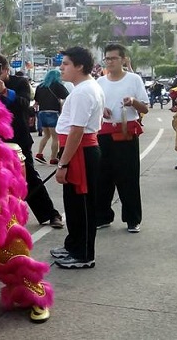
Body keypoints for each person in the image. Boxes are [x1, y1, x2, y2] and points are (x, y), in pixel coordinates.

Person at [0, 55, 64, 228]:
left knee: (28, 177)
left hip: (18, 138)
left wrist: (5, 92)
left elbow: (24, 104)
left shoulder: (20, 83)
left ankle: (50, 214)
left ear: (5, 70)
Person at [51, 47, 104, 269]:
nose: (61, 68)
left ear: (79, 66)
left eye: (66, 64)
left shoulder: (84, 91)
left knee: (81, 205)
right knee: (73, 204)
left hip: (80, 152)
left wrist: (63, 163)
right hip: (78, 150)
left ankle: (83, 254)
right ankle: (73, 245)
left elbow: (77, 131)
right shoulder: (85, 88)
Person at [95, 44, 149, 233]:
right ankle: (102, 215)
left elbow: (145, 108)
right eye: (107, 58)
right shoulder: (100, 82)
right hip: (104, 134)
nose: (110, 62)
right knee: (103, 177)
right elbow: (95, 108)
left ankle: (132, 219)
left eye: (113, 58)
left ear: (124, 59)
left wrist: (133, 101)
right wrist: (102, 110)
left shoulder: (134, 80)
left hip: (126, 134)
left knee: (128, 177)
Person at [34, 69, 69, 165]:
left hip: (42, 113)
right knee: (55, 137)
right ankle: (53, 158)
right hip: (53, 113)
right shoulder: (57, 85)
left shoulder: (40, 86)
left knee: (46, 135)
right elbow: (67, 96)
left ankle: (39, 153)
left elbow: (36, 101)